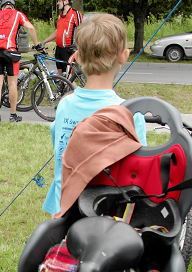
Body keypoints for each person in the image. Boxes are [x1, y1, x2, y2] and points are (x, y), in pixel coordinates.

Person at [42, 14, 147, 216]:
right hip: (107, 216)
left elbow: (59, 148)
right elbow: (138, 172)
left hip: (62, 209)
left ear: (78, 56)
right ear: (124, 56)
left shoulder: (65, 105)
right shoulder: (131, 114)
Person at [0, 0, 39, 122]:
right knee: (12, 84)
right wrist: (37, 44)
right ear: (13, 6)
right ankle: (12, 115)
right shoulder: (18, 14)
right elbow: (31, 28)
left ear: (2, 6)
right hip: (11, 52)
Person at [41, 0, 83, 74]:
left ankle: (73, 87)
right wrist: (44, 41)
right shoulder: (60, 15)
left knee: (68, 78)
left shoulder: (75, 14)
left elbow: (81, 30)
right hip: (59, 49)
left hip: (68, 50)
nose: (57, 3)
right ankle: (63, 87)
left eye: (59, 0)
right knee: (61, 78)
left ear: (66, 1)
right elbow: (58, 31)